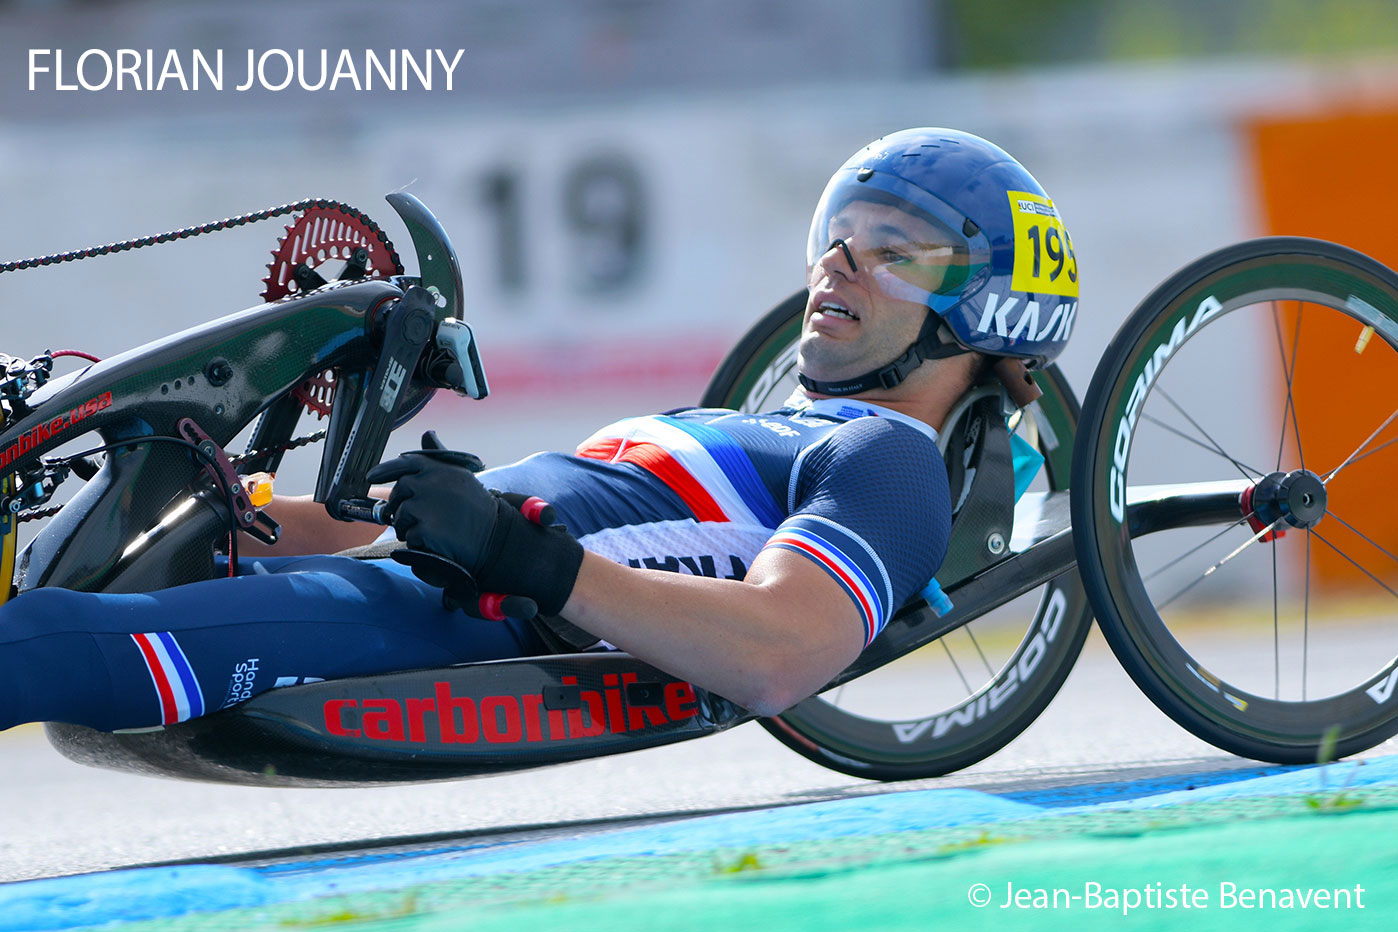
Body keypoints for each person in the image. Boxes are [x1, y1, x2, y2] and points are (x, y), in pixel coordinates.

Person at [0, 127, 1076, 731]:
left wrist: (518, 551)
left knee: (44, 638)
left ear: (979, 314)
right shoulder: (764, 431)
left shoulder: (887, 461)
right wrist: (254, 513)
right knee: (102, 522)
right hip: (423, 578)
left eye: (891, 246)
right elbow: (388, 537)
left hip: (463, 618)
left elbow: (783, 648)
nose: (837, 258)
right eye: (838, 234)